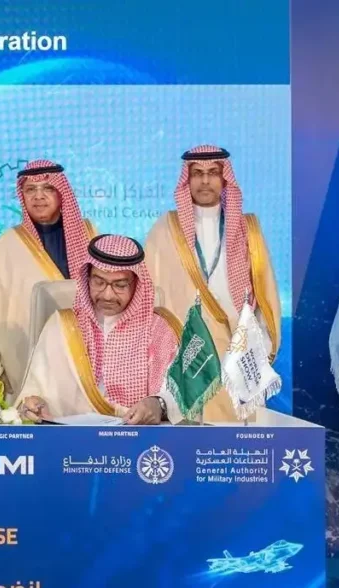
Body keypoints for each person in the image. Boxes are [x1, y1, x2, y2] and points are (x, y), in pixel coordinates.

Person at [144, 145, 281, 422]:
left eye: (213, 173)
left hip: (236, 352)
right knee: (184, 438)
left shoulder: (248, 229)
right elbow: (148, 297)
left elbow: (264, 296)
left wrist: (259, 351)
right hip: (183, 356)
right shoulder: (165, 228)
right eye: (197, 173)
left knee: (239, 438)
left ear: (224, 178)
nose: (205, 181)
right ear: (187, 179)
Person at [17, 234, 182, 425]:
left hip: (136, 435)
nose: (107, 295)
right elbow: (35, 390)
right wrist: (34, 404)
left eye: (120, 285)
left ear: (137, 284)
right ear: (87, 279)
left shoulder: (160, 330)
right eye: (99, 282)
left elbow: (179, 393)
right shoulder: (62, 326)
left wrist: (158, 404)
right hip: (71, 437)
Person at [0, 160, 97, 398]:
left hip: (82, 352)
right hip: (27, 355)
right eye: (30, 189)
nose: (38, 196)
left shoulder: (88, 235)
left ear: (61, 193)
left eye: (47, 188)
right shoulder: (7, 244)